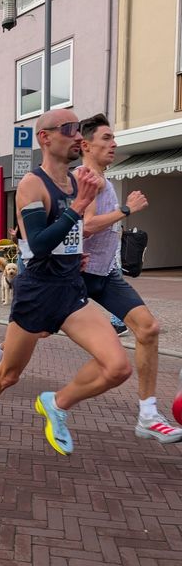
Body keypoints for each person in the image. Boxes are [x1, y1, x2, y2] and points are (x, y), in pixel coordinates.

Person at [0, 109, 133, 462]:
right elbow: (38, 243)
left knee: (118, 367)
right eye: (69, 129)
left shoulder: (77, 182)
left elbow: (70, 233)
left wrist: (76, 253)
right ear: (45, 137)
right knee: (8, 376)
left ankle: (56, 403)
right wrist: (79, 207)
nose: (78, 136)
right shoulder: (32, 184)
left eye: (79, 129)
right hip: (37, 292)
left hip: (70, 290)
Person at [79, 113, 182, 443]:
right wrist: (126, 210)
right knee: (32, 335)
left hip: (105, 276)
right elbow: (87, 226)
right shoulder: (83, 178)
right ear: (86, 145)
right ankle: (2, 353)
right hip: (74, 277)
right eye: (106, 138)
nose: (114, 143)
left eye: (114, 138)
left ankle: (148, 416)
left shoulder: (106, 181)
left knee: (148, 328)